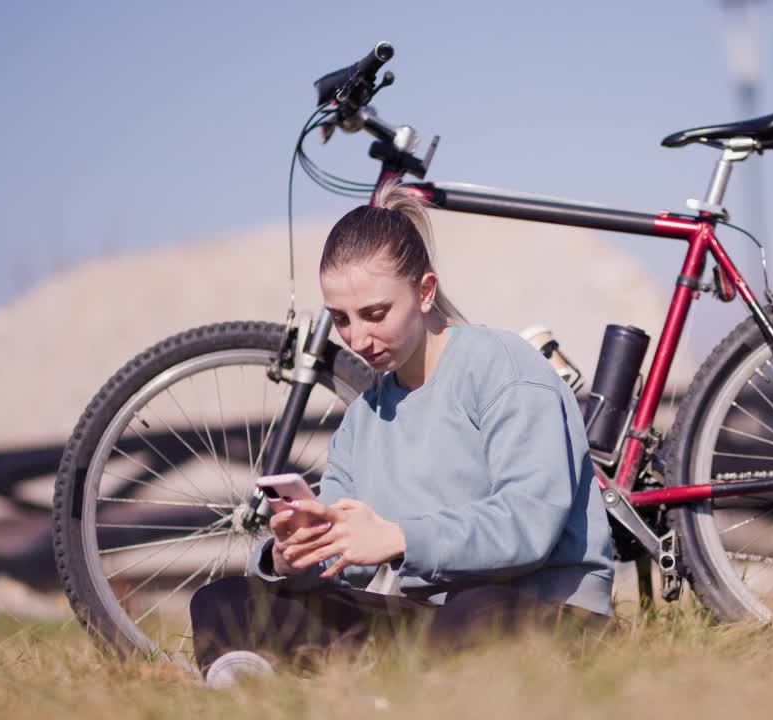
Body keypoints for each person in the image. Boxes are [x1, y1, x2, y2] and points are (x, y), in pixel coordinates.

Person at [189, 184, 616, 683]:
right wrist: (293, 556)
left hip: (543, 609)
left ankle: (346, 682)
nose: (358, 339)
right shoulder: (363, 419)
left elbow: (528, 527)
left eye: (375, 314)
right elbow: (345, 562)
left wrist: (398, 538)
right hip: (429, 620)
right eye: (341, 320)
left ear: (425, 291)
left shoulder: (503, 368)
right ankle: (263, 683)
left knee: (472, 613)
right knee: (221, 600)